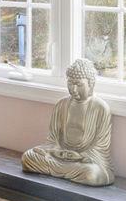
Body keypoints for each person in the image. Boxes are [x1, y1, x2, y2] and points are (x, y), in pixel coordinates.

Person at [21, 57, 114, 187]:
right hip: (60, 157)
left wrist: (79, 156)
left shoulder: (100, 108)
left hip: (83, 161)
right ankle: (65, 172)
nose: (74, 89)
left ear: (91, 84)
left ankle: (62, 172)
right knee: (28, 157)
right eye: (70, 83)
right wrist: (56, 151)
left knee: (91, 174)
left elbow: (100, 147)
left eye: (79, 85)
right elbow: (52, 140)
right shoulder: (61, 104)